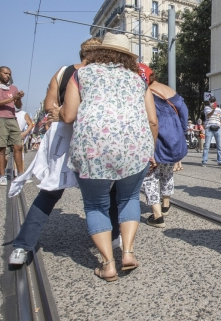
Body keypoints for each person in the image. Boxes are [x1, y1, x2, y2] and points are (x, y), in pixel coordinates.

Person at [8, 38, 122, 265]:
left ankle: (22, 247)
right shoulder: (106, 74)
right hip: (94, 139)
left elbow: (50, 107)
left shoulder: (64, 72)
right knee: (108, 189)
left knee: (50, 191)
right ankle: (114, 235)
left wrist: (63, 111)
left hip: (65, 137)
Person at [59, 32, 158, 282]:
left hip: (93, 146)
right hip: (135, 146)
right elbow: (152, 120)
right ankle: (127, 252)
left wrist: (57, 111)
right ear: (128, 58)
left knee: (95, 205)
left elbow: (69, 115)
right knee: (129, 198)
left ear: (99, 52)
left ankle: (107, 264)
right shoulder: (138, 80)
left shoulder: (81, 74)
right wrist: (151, 150)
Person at [143, 70, 189, 228]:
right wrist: (180, 132)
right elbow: (184, 111)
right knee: (167, 171)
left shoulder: (144, 90)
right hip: (173, 136)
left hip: (156, 136)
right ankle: (166, 204)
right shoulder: (169, 89)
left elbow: (151, 120)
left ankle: (157, 216)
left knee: (149, 175)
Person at [202, 96, 221, 166]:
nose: (212, 102)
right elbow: (208, 115)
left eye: (214, 101)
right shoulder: (206, 108)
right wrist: (213, 110)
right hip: (209, 128)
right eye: (211, 101)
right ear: (209, 101)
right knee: (206, 146)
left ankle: (219, 160)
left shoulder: (219, 109)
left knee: (219, 146)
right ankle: (204, 161)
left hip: (218, 128)